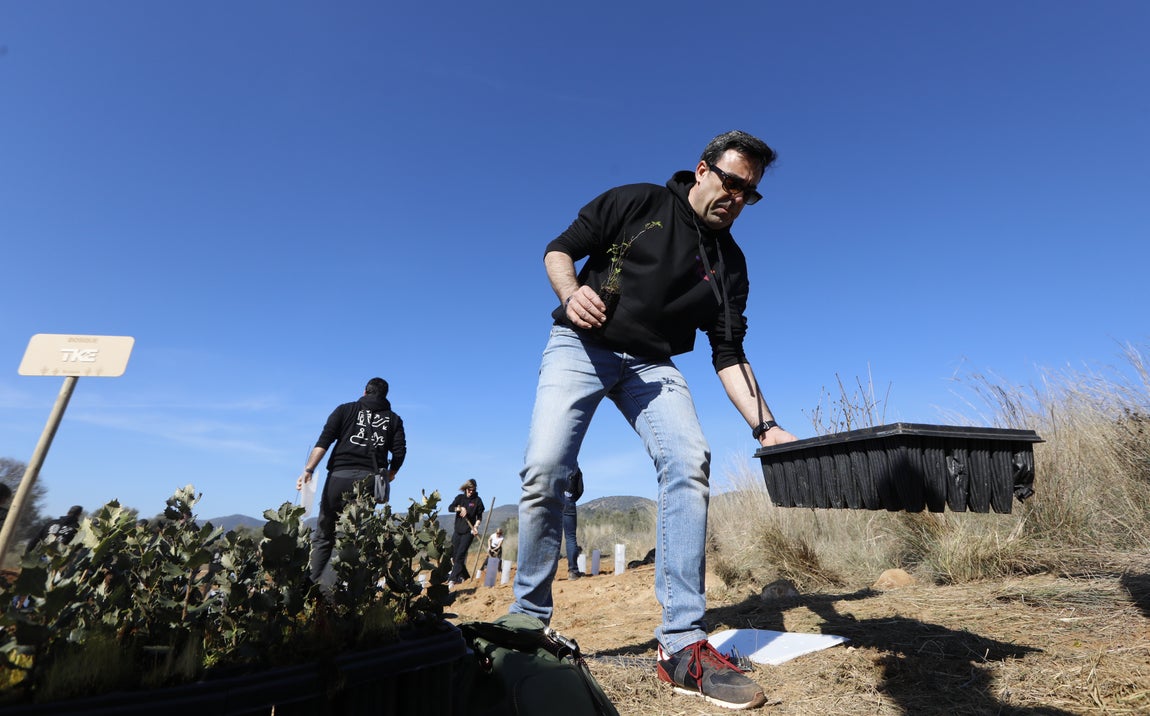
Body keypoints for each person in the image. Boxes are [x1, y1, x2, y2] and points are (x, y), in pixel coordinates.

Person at [509, 130, 798, 710]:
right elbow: (558, 249)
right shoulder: (638, 202)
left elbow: (729, 352)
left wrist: (766, 426)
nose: (737, 198)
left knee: (689, 460)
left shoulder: (729, 263)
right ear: (702, 170)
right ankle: (525, 624)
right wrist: (570, 294)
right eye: (732, 183)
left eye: (751, 193)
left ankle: (682, 645)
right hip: (581, 345)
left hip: (652, 366)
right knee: (546, 468)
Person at [296, 377, 406, 593]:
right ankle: (332, 594)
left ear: (365, 392)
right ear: (385, 396)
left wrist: (308, 470)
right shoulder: (394, 419)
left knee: (324, 534)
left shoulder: (345, 409)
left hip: (339, 477)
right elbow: (400, 452)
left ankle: (309, 590)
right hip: (370, 482)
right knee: (351, 539)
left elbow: (324, 441)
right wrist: (391, 473)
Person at [447, 479, 484, 586]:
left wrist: (476, 526)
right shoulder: (460, 498)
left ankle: (452, 580)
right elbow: (450, 508)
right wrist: (459, 508)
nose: (471, 492)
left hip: (469, 532)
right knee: (454, 557)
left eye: (473, 490)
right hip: (457, 531)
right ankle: (466, 577)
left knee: (460, 556)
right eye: (469, 489)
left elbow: (479, 517)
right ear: (466, 488)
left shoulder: (477, 500)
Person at [563, 467, 584, 579]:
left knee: (551, 537)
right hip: (569, 500)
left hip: (552, 501)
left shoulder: (552, 461)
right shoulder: (575, 467)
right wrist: (571, 500)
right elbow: (580, 490)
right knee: (570, 537)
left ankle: (547, 574)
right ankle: (573, 571)